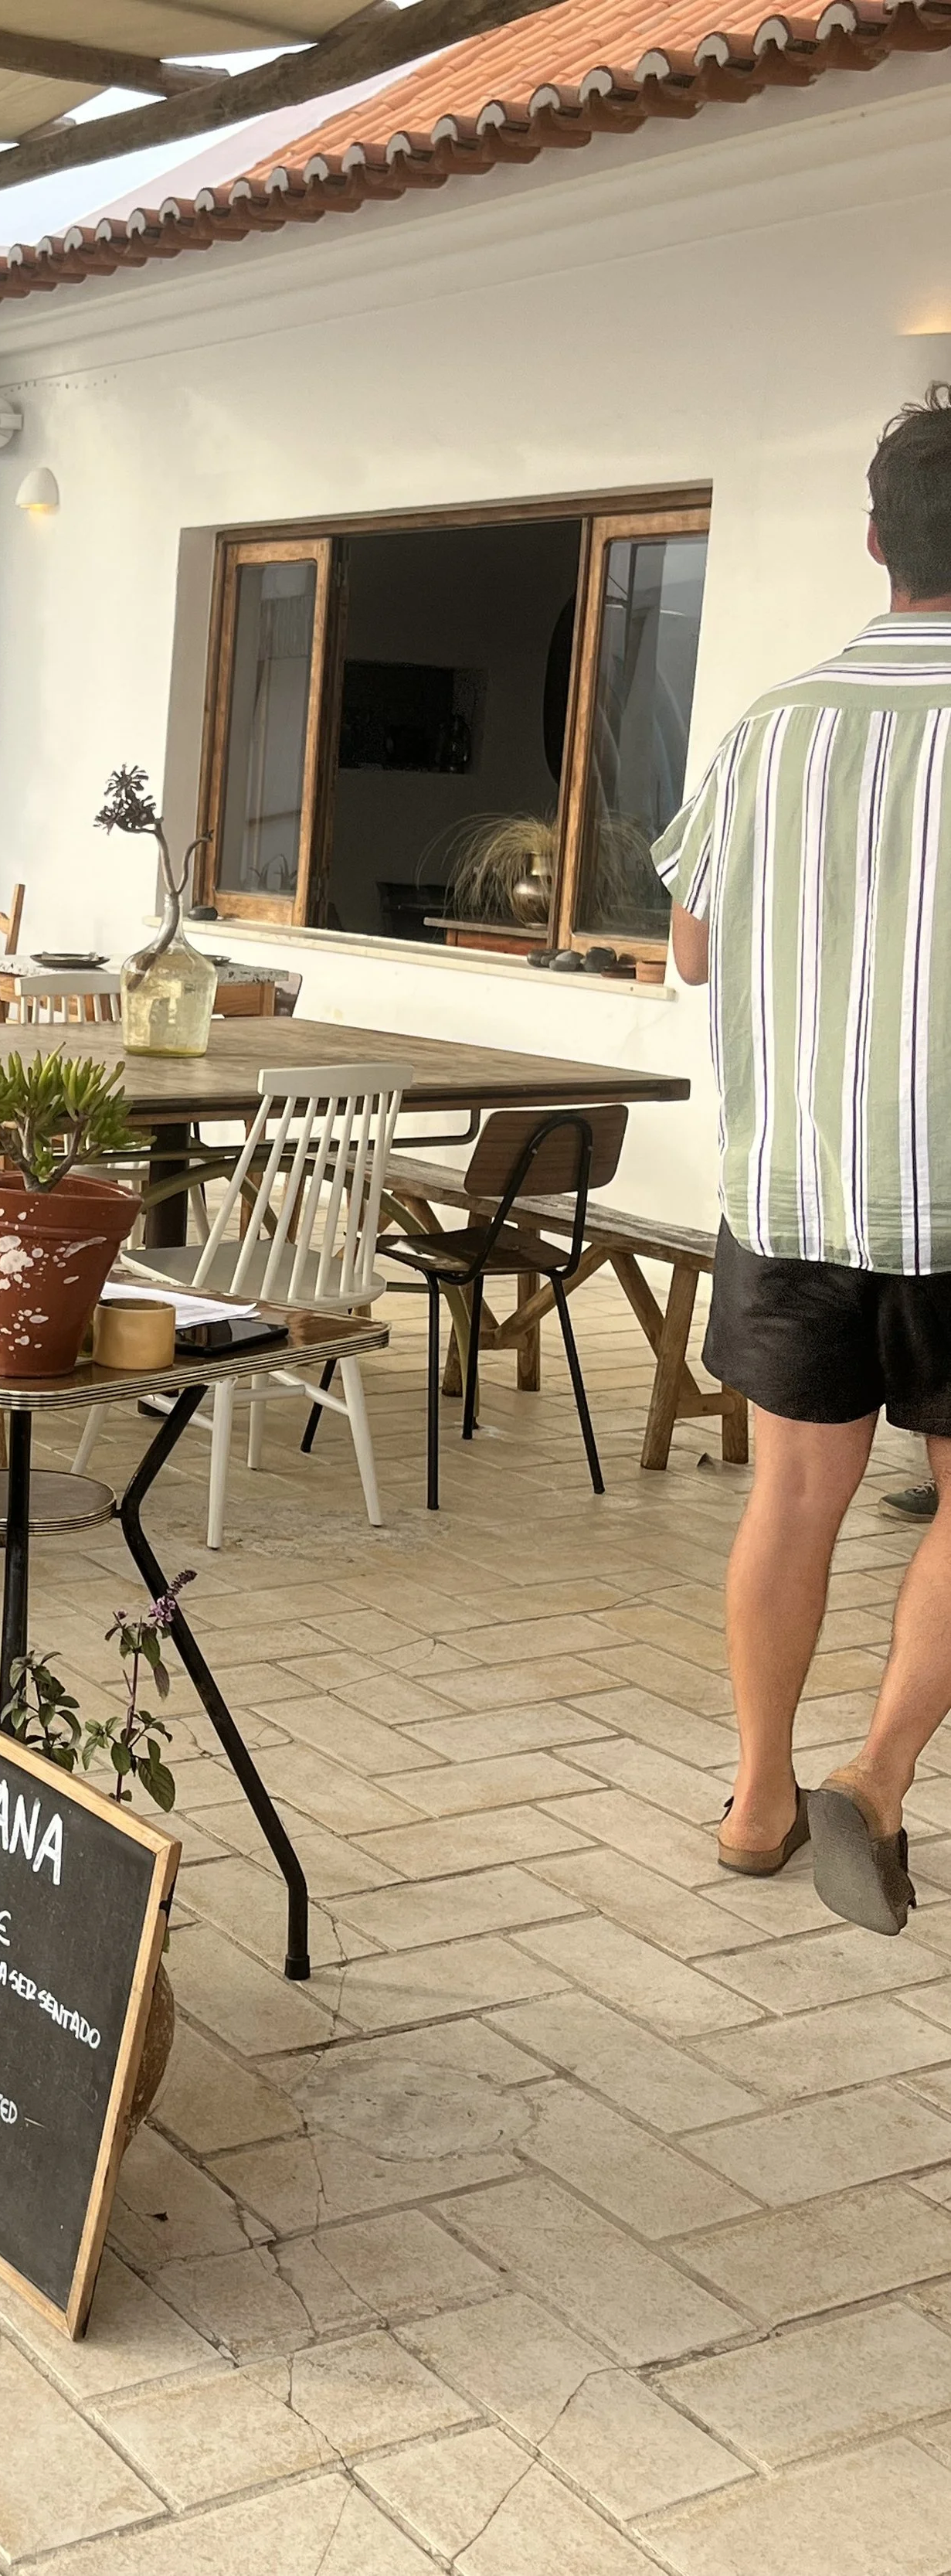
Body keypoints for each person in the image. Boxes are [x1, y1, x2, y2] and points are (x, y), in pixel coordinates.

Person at [658, 384, 951, 1935]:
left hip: (791, 1187)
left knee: (790, 1496)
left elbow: (692, 948)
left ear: (869, 541)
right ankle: (877, 1776)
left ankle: (757, 1795)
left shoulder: (770, 726)